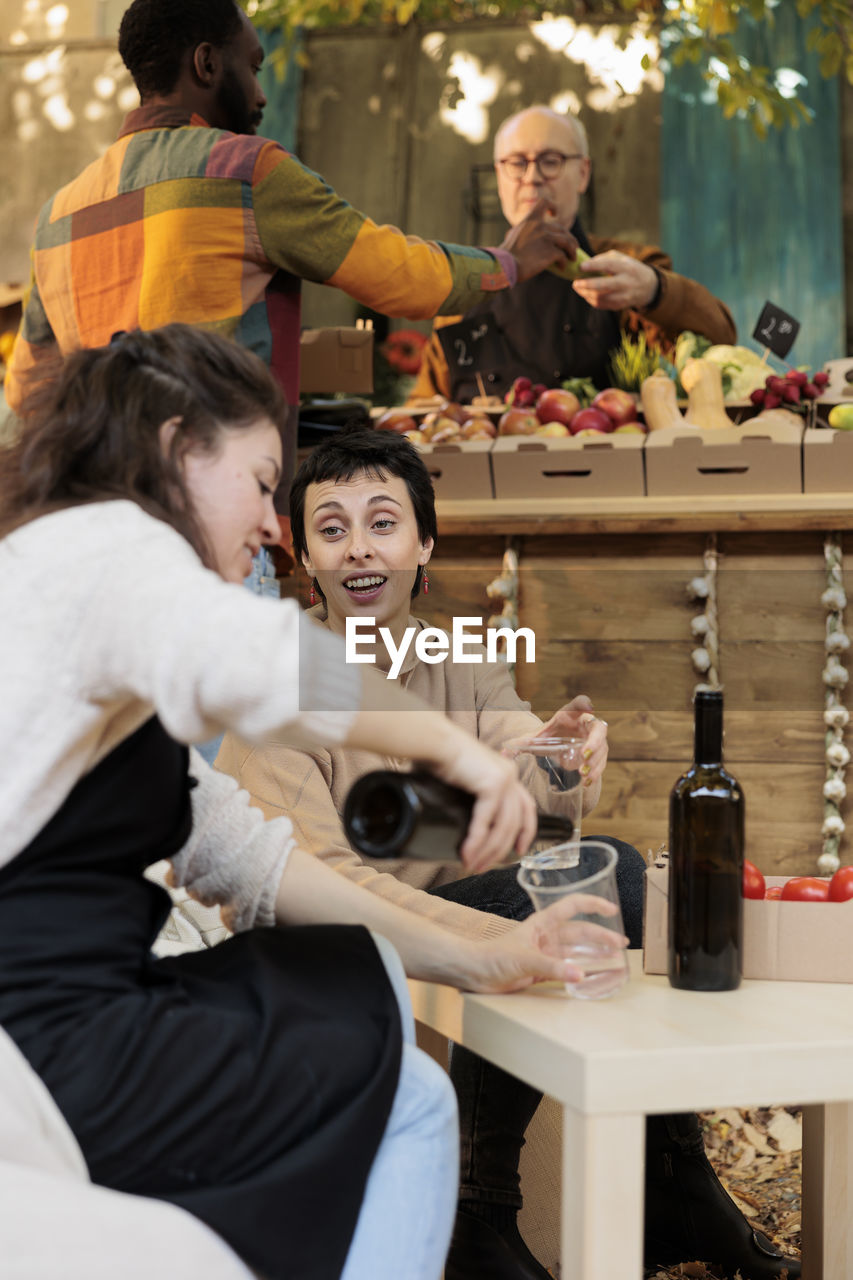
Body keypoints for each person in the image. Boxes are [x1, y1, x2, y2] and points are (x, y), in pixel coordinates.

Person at [0, 325, 629, 1280]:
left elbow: (252, 860)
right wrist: (453, 750)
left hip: (69, 1002)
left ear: (424, 541)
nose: (269, 526)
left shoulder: (108, 619)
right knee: (370, 1041)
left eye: (381, 522)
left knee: (399, 1070)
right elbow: (272, 666)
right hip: (42, 1020)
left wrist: (488, 954)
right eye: (264, 486)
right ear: (176, 449)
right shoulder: (106, 548)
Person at [215, 427, 800, 1280]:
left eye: (382, 523)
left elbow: (534, 774)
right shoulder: (279, 678)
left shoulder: (457, 651)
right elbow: (310, 880)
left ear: (424, 543)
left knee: (611, 873)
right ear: (303, 555)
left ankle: (665, 1173)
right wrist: (488, 940)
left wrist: (567, 757)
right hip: (329, 940)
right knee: (584, 892)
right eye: (331, 529)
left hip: (444, 910)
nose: (358, 548)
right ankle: (481, 1206)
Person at [3, 0, 578, 509]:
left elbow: (29, 391)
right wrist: (506, 262)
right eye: (251, 67)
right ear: (206, 64)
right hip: (219, 515)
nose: (260, 94)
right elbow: (397, 274)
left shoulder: (59, 212)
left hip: (103, 517)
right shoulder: (246, 171)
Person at [408, 104, 737, 404]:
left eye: (551, 161)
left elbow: (719, 339)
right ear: (499, 176)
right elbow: (426, 403)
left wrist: (654, 289)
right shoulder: (466, 280)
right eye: (517, 163)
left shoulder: (627, 263)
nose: (532, 178)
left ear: (583, 173)